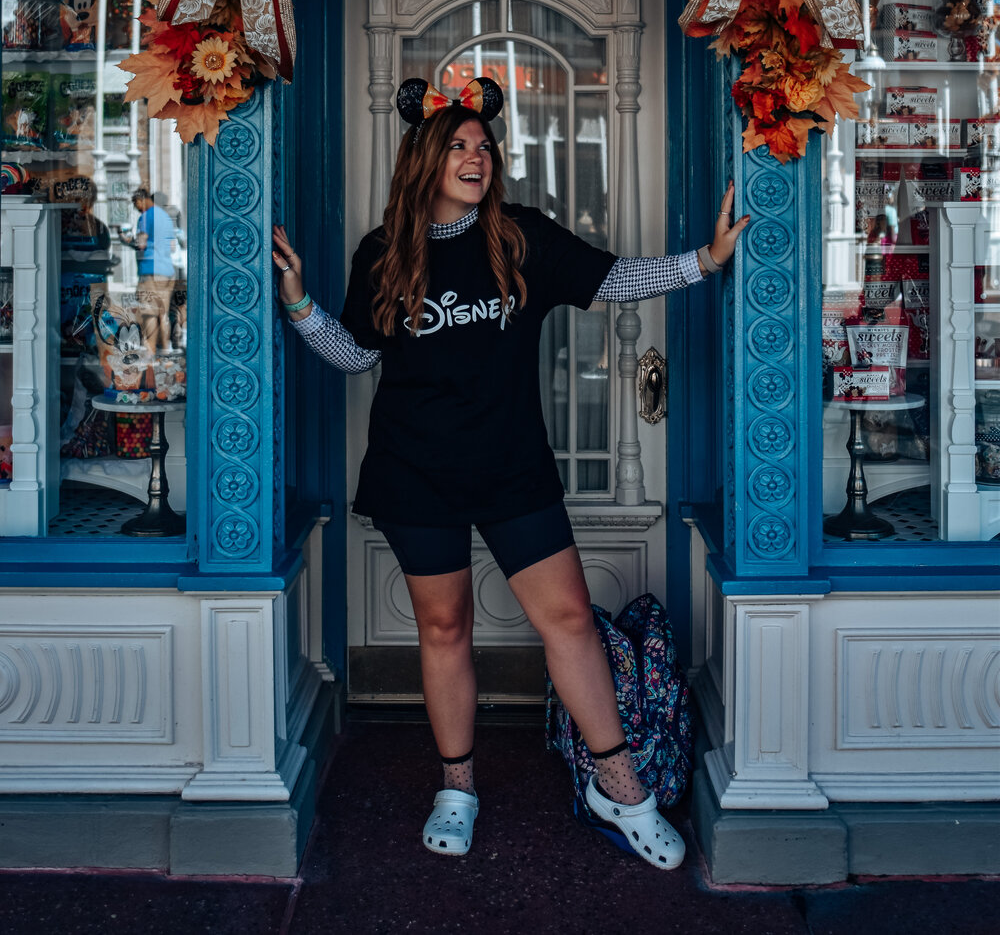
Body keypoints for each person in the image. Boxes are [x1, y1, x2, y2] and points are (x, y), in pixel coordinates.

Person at [272, 77, 749, 870]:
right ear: (424, 157)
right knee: (444, 628)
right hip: (414, 470)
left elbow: (613, 279)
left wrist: (705, 261)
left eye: (484, 147)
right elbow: (358, 355)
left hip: (512, 467)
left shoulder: (519, 237)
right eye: (458, 146)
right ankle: (457, 788)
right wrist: (298, 305)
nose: (476, 157)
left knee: (567, 620)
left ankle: (619, 785)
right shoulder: (384, 253)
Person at [120, 187, 176, 353]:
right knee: (163, 313)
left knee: (149, 312)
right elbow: (172, 246)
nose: (136, 207)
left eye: (135, 203)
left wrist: (126, 240)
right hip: (167, 271)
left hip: (150, 271)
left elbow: (141, 244)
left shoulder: (145, 216)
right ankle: (166, 348)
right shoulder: (166, 217)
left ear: (141, 200)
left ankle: (150, 350)